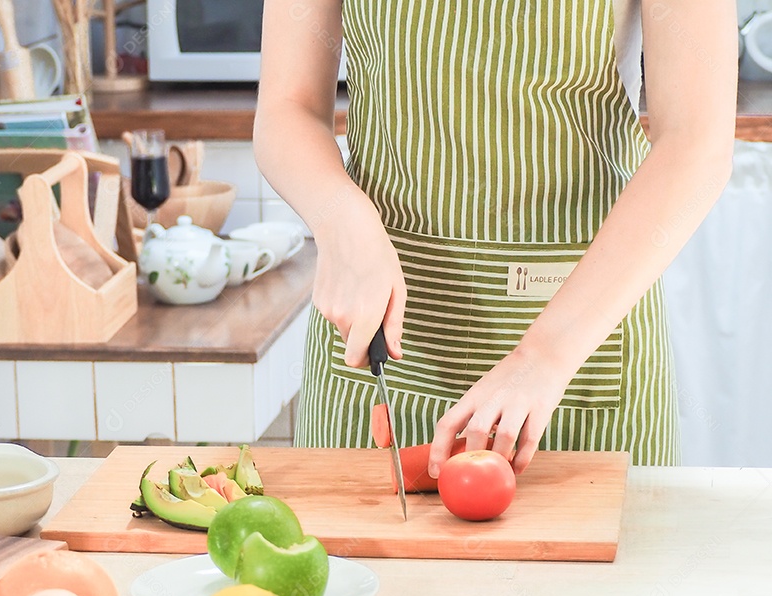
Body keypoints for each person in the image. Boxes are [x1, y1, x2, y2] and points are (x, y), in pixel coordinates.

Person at [255, 0, 737, 477]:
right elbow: (287, 107)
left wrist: (546, 355)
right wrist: (343, 221)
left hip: (583, 344)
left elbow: (696, 144)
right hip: (378, 332)